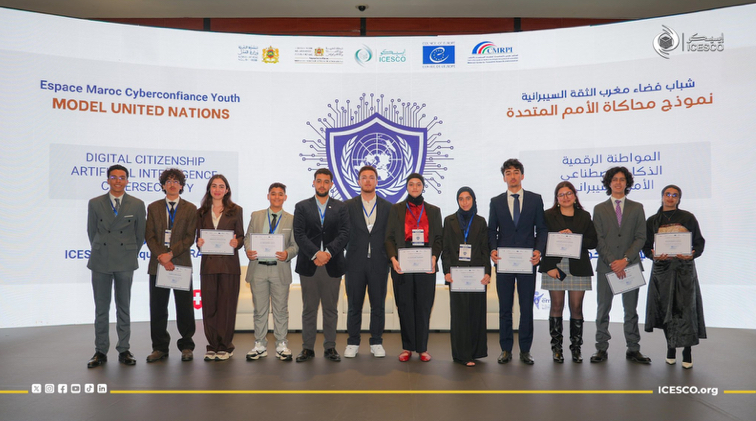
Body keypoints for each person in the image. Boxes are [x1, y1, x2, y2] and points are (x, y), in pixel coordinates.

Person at [86, 164, 146, 368]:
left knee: (124, 307)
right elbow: (91, 231)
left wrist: (128, 252)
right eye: (114, 177)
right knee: (101, 308)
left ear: (127, 181)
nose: (118, 181)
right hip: (100, 260)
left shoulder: (137, 204)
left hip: (125, 261)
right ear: (107, 180)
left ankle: (124, 349)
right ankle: (100, 351)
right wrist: (101, 249)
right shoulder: (95, 203)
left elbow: (140, 234)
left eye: (122, 177)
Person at [488, 159, 547, 365]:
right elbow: (491, 230)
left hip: (527, 261)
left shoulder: (535, 199)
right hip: (504, 261)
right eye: (508, 173)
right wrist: (492, 249)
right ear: (503, 177)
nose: (512, 176)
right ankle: (505, 349)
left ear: (522, 175)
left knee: (526, 307)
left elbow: (542, 229)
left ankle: (525, 350)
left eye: (515, 172)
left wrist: (539, 250)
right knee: (505, 308)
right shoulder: (496, 201)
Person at [642, 185, 706, 369]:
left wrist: (692, 254)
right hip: (662, 270)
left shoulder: (688, 217)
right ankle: (670, 348)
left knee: (686, 310)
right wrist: (653, 255)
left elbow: (699, 242)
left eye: (674, 195)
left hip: (684, 268)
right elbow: (646, 246)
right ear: (662, 196)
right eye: (667, 194)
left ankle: (687, 351)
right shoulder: (653, 220)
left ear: (679, 199)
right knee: (665, 309)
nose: (670, 198)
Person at [591, 166, 650, 364]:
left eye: (622, 179)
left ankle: (633, 349)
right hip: (606, 267)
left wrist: (625, 260)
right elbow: (598, 239)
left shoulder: (637, 207)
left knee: (631, 311)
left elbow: (641, 237)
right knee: (603, 310)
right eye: (614, 179)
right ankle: (601, 348)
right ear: (609, 183)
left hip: (630, 266)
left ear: (627, 183)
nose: (618, 183)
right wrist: (612, 261)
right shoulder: (599, 209)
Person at [293, 168, 350, 362]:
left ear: (331, 184)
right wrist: (316, 254)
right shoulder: (302, 206)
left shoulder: (341, 207)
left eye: (326, 181)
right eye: (319, 181)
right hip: (309, 264)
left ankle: (330, 347)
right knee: (309, 309)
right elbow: (299, 234)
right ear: (314, 183)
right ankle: (307, 348)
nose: (322, 185)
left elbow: (345, 233)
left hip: (332, 264)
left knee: (330, 309)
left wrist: (328, 253)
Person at [385, 173, 443, 362]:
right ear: (407, 187)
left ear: (423, 187)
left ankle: (422, 348)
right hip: (403, 263)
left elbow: (439, 238)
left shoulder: (434, 210)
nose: (415, 187)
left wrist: (434, 257)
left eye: (418, 184)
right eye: (411, 184)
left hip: (426, 263)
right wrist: (393, 258)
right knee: (405, 306)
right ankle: (407, 348)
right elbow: (389, 237)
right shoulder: (396, 209)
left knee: (424, 306)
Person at [538, 181, 597, 363]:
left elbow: (593, 242)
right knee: (556, 306)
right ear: (556, 198)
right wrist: (547, 267)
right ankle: (557, 349)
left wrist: (575, 238)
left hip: (578, 267)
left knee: (576, 308)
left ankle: (576, 348)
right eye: (561, 195)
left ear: (574, 196)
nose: (565, 197)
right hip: (554, 266)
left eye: (569, 193)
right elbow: (542, 241)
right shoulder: (548, 216)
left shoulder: (584, 216)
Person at [144, 168, 198, 363]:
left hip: (181, 263)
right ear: (163, 185)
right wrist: (162, 256)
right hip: (158, 264)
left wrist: (171, 254)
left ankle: (187, 346)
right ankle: (159, 348)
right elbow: (149, 236)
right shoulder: (153, 207)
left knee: (185, 308)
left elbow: (189, 237)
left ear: (182, 186)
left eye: (176, 181)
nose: (172, 184)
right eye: (168, 181)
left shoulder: (190, 208)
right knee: (158, 308)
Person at [244, 183, 299, 362]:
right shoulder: (256, 215)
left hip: (279, 269)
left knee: (280, 310)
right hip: (258, 268)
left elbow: (295, 245)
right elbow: (247, 238)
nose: (276, 197)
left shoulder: (292, 219)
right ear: (268, 196)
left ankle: (281, 344)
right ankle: (260, 344)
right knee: (259, 310)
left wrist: (287, 253)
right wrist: (248, 250)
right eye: (273, 194)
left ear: (285, 197)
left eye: (280, 194)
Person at [343, 166, 392, 358]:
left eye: (372, 177)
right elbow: (343, 233)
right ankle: (353, 342)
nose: (368, 180)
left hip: (379, 262)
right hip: (354, 262)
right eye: (364, 177)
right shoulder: (348, 206)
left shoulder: (388, 207)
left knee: (378, 305)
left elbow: (390, 235)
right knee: (354, 305)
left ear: (377, 181)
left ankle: (376, 342)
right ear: (358, 181)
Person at [196, 174, 245, 361]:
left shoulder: (236, 210)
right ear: (209, 189)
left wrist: (237, 242)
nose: (217, 189)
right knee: (209, 306)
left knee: (226, 306)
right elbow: (198, 238)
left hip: (228, 266)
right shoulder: (201, 212)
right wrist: (199, 242)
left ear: (227, 190)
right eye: (214, 186)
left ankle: (225, 346)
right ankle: (212, 345)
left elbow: (241, 236)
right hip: (208, 265)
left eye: (221, 186)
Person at [442, 187, 490, 367]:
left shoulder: (480, 221)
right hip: (457, 274)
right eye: (461, 199)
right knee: (460, 315)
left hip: (477, 274)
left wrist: (487, 272)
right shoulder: (449, 221)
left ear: (473, 200)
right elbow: (446, 249)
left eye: (468, 198)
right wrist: (446, 271)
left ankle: (475, 352)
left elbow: (485, 249)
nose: (464, 202)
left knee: (476, 313)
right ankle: (462, 354)